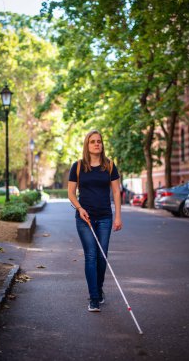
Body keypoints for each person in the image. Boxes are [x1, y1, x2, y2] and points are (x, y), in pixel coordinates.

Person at [68, 130, 122, 312]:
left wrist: (118, 216)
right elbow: (71, 193)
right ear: (87, 145)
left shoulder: (110, 166)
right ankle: (94, 298)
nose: (96, 144)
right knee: (91, 256)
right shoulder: (77, 166)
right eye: (92, 141)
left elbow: (116, 192)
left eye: (99, 141)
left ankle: (98, 289)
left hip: (105, 218)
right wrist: (80, 208)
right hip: (85, 219)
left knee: (102, 256)